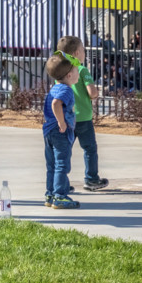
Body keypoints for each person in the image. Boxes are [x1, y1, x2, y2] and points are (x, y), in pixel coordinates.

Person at [56, 36, 107, 191]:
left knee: (65, 150)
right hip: (83, 118)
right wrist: (95, 93)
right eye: (84, 50)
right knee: (89, 149)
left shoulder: (60, 71)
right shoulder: (81, 70)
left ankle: (62, 181)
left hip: (67, 118)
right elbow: (92, 92)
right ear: (77, 53)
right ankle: (91, 179)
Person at [42, 53, 81, 210]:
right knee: (61, 165)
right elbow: (56, 104)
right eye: (77, 71)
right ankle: (60, 196)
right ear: (70, 75)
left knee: (52, 165)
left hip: (49, 132)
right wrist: (62, 122)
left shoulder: (55, 88)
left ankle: (50, 194)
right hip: (59, 132)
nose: (79, 73)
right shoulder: (66, 90)